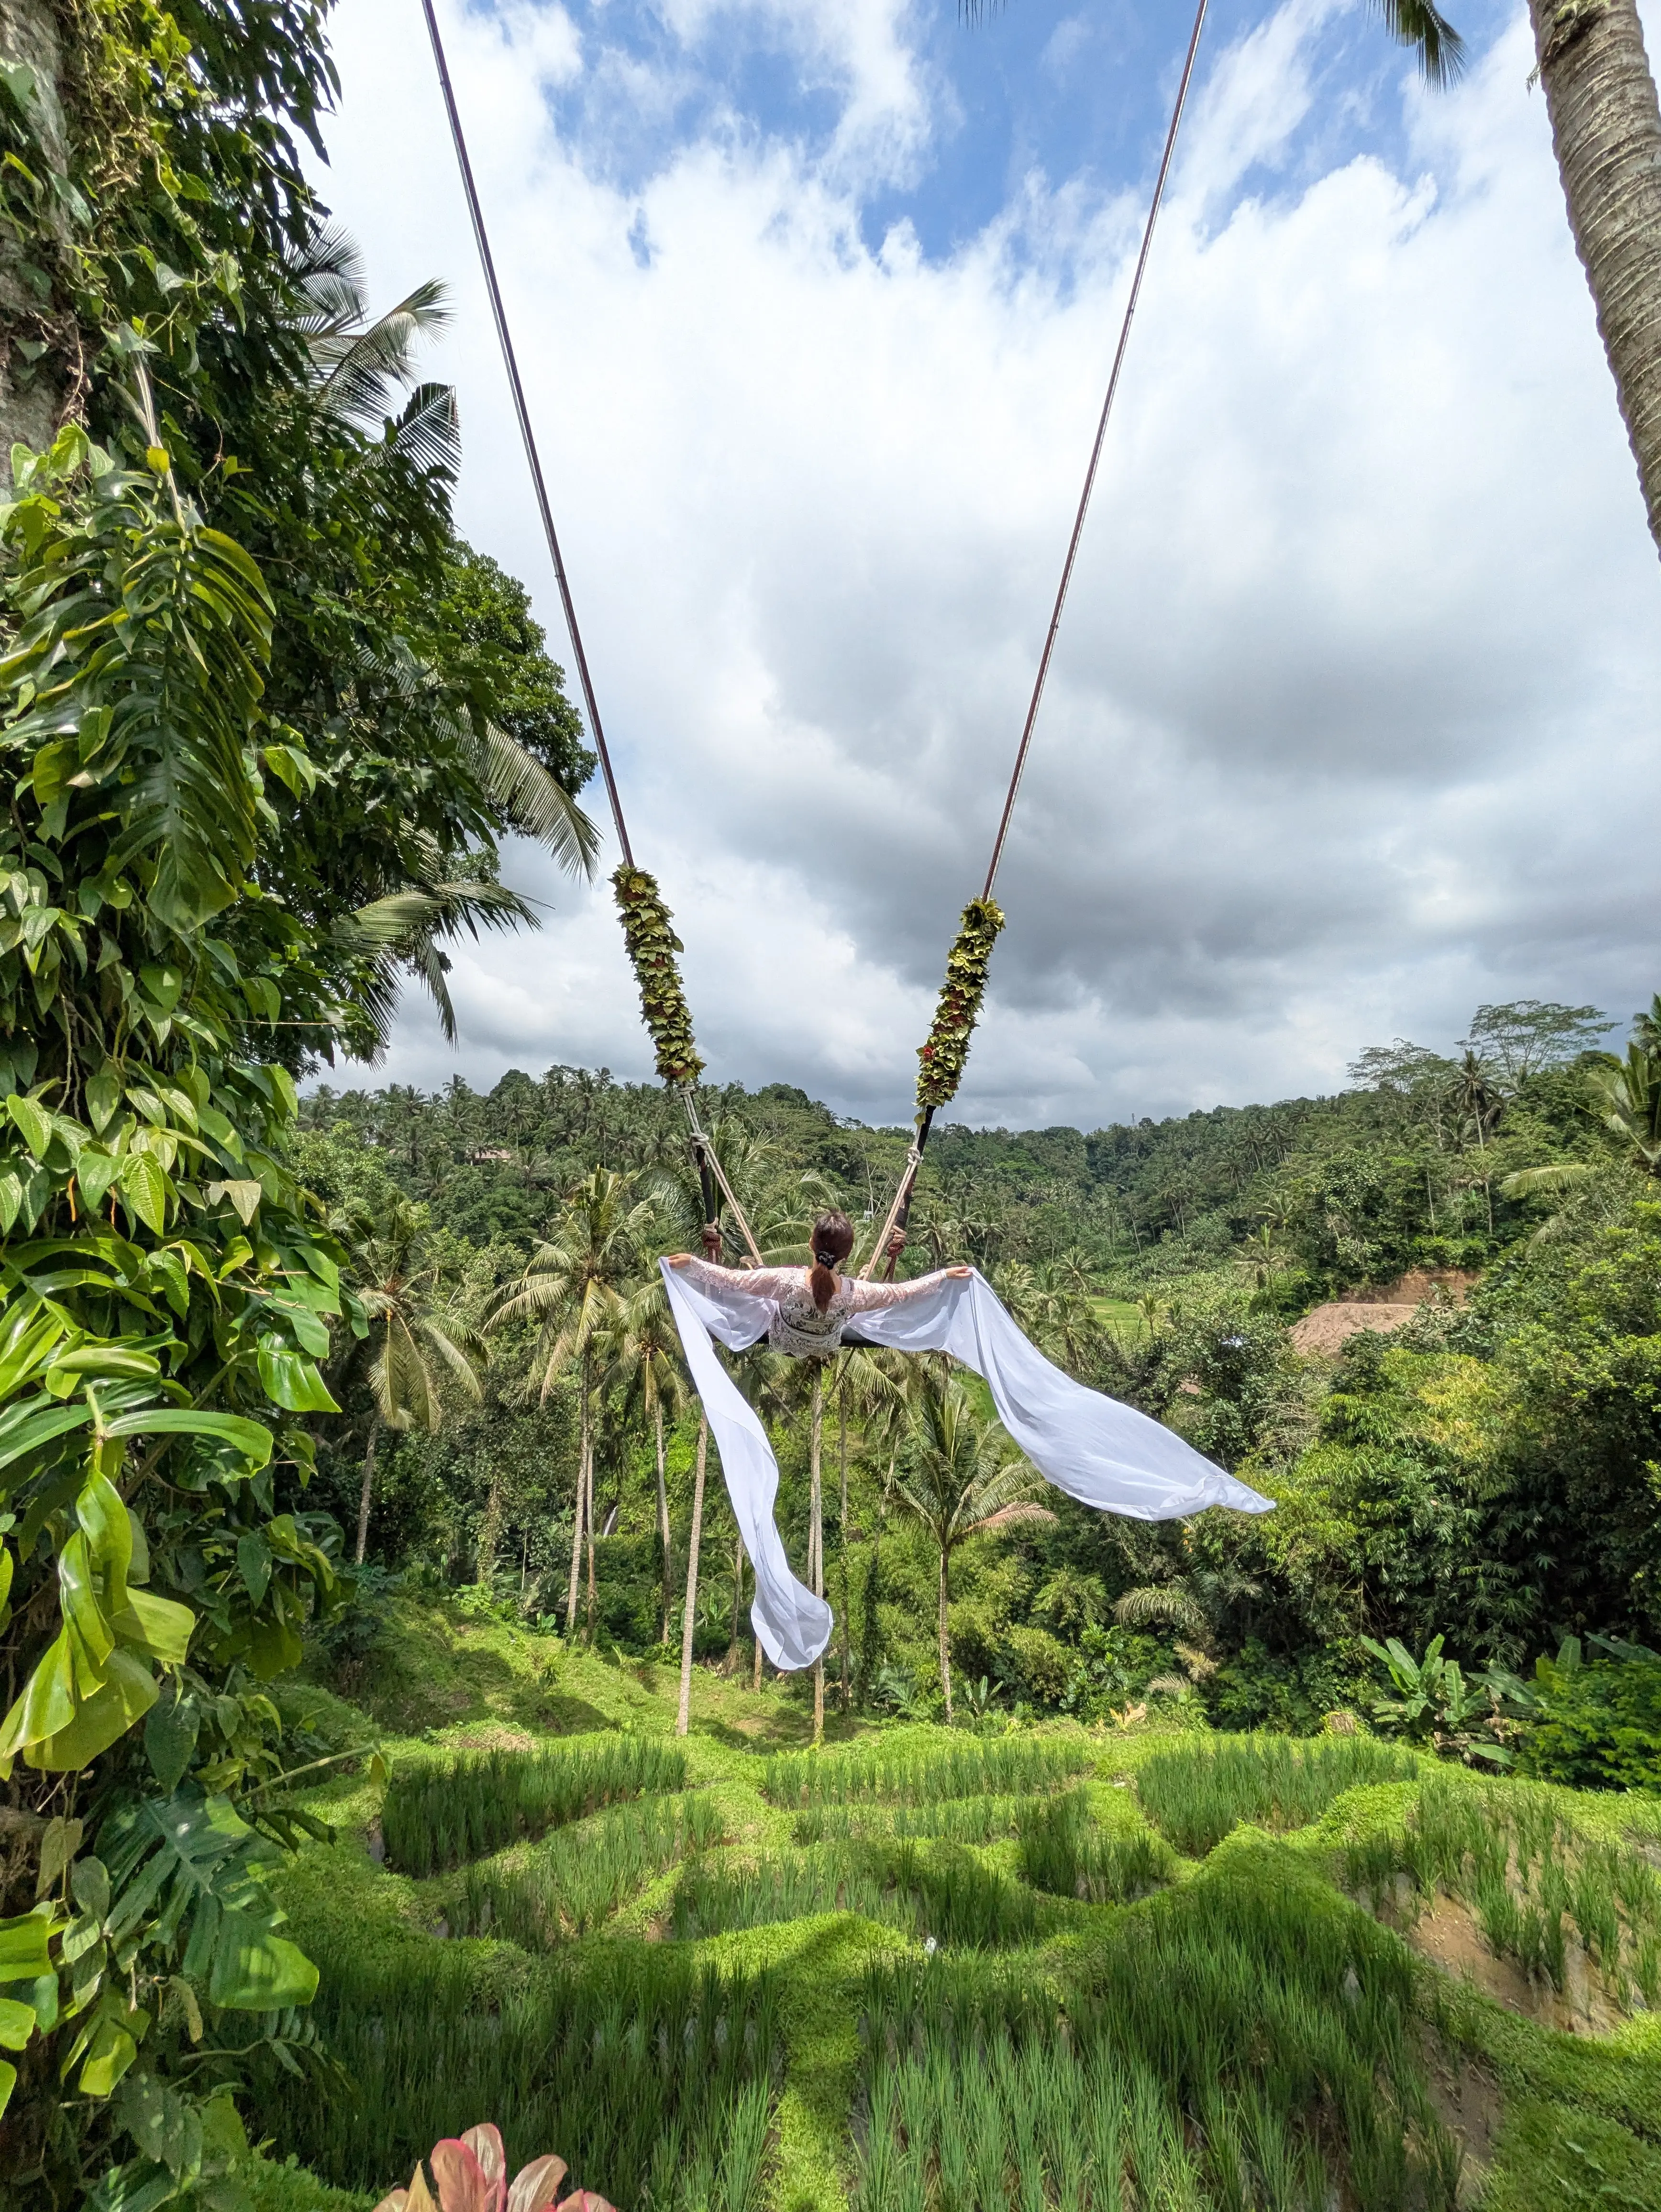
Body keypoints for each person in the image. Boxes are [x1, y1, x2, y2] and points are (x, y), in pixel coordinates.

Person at [665, 1208, 970, 1359]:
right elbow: (903, 1292)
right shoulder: (856, 1293)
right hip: (827, 1344)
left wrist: (693, 1263)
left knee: (756, 1291)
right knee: (872, 1307)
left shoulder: (785, 1280)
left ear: (810, 1243)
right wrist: (942, 1276)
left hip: (785, 1339)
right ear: (847, 1254)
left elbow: (731, 1280)